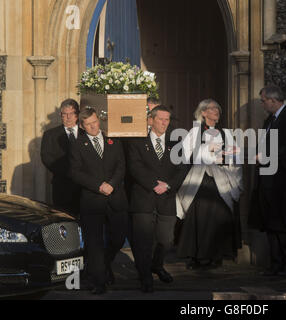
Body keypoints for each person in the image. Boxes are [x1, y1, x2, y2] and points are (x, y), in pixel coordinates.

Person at [127, 105, 189, 293]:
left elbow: (182, 168)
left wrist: (168, 185)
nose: (164, 123)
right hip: (143, 198)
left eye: (167, 119)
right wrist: (154, 184)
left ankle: (156, 264)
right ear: (150, 120)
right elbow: (135, 167)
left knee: (166, 239)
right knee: (144, 241)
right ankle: (146, 277)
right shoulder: (138, 142)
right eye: (161, 119)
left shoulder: (175, 143)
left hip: (167, 198)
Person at [176, 99, 243, 270]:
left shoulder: (226, 134)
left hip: (221, 180)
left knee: (220, 216)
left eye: (217, 108)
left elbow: (235, 156)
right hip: (200, 181)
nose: (216, 111)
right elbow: (186, 153)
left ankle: (216, 255)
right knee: (199, 217)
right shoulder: (194, 132)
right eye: (212, 108)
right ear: (203, 113)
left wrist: (226, 157)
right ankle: (197, 256)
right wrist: (209, 151)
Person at [249, 85, 286, 277]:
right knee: (271, 226)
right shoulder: (269, 121)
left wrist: (265, 156)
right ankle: (276, 264)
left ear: (274, 100)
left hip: (284, 184)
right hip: (268, 184)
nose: (262, 104)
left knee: (284, 226)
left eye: (263, 100)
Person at [69, 107, 128, 294]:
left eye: (95, 122)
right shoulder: (78, 144)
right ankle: (99, 281)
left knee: (118, 239)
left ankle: (102, 265)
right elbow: (75, 172)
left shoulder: (113, 140)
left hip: (116, 197)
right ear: (82, 126)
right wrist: (98, 185)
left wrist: (111, 184)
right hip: (92, 200)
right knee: (94, 243)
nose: (93, 126)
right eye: (88, 124)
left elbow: (121, 166)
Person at [41, 99, 84, 217]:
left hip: (84, 187)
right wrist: (69, 172)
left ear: (77, 115)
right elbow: (47, 158)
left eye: (71, 113)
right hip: (62, 187)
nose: (68, 117)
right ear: (61, 115)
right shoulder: (50, 135)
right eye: (65, 114)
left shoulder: (86, 134)